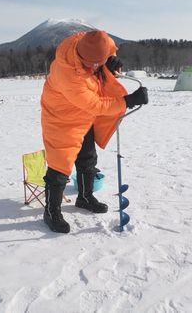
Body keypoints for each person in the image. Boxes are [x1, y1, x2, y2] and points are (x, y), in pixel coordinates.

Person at [40, 30, 148, 233]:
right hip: (61, 118)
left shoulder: (88, 40)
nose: (93, 68)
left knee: (88, 158)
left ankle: (85, 197)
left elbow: (104, 47)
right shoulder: (68, 74)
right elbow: (96, 105)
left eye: (95, 63)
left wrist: (108, 60)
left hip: (84, 115)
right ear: (81, 57)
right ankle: (51, 211)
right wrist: (128, 101)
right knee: (60, 165)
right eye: (90, 64)